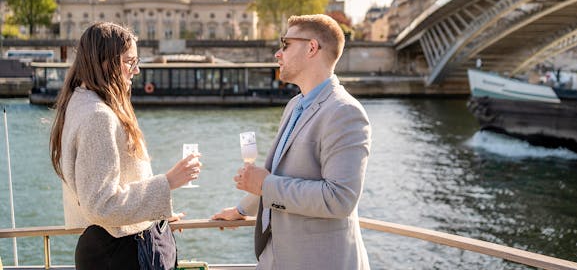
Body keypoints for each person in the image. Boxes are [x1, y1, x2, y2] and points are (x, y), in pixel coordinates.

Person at [213, 14, 371, 269]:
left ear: (312, 48)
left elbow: (340, 199)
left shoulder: (345, 112)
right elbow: (278, 174)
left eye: (285, 44)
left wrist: (264, 185)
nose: (277, 53)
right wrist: (242, 210)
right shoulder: (295, 104)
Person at [49, 22, 202, 270]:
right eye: (130, 61)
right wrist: (169, 182)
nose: (137, 70)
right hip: (124, 252)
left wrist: (151, 215)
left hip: (113, 245)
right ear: (106, 62)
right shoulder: (99, 116)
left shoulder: (79, 102)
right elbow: (101, 204)